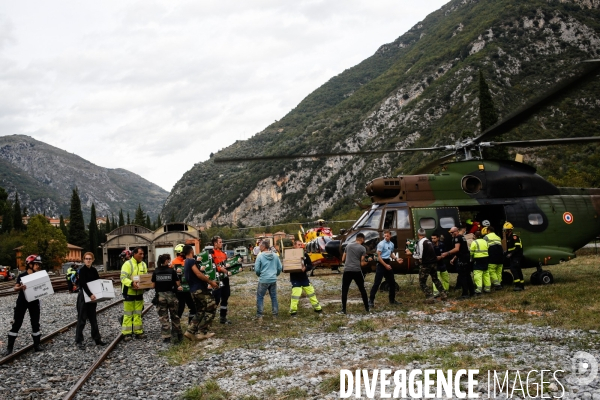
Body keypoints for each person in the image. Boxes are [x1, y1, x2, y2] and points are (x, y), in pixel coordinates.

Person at [3, 255, 45, 355]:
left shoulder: (38, 275)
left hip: (34, 301)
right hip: (22, 301)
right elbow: (15, 288)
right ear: (30, 264)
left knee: (35, 323)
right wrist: (21, 287)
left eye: (39, 264)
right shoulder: (22, 276)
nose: (38, 266)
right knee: (17, 323)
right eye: (36, 264)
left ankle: (37, 345)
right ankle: (9, 348)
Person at [183, 245, 219, 341]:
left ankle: (190, 331)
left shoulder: (185, 262)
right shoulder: (190, 261)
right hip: (199, 289)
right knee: (212, 306)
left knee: (200, 310)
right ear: (191, 251)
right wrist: (211, 282)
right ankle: (202, 331)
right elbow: (198, 274)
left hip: (193, 290)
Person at [75, 252, 107, 350]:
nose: (88, 260)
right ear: (84, 260)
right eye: (86, 258)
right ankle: (79, 340)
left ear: (92, 260)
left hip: (93, 296)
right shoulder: (82, 271)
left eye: (90, 259)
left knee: (93, 318)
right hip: (84, 296)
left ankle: (97, 338)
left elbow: (97, 282)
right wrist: (90, 295)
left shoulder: (94, 270)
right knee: (82, 319)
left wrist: (101, 292)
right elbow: (83, 284)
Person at [407, 229, 448, 303]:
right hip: (434, 263)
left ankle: (429, 296)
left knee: (422, 282)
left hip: (426, 264)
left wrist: (412, 255)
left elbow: (420, 255)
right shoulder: (428, 241)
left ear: (418, 234)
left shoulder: (421, 242)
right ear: (425, 234)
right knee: (435, 279)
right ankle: (443, 294)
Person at [152, 254, 183, 343]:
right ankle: (178, 335)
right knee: (175, 316)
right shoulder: (172, 271)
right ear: (167, 261)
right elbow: (178, 284)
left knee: (163, 317)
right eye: (169, 259)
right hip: (171, 296)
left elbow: (153, 285)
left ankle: (166, 337)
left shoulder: (156, 271)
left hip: (161, 297)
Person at [120, 247, 148, 341]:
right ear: (134, 254)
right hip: (129, 293)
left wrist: (146, 285)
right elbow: (123, 278)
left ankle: (138, 331)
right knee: (128, 314)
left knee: (138, 313)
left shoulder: (144, 264)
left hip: (139, 293)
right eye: (140, 254)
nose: (142, 256)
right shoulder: (127, 264)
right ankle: (126, 333)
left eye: (143, 254)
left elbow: (145, 277)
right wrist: (132, 283)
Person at [368, 231, 402, 308]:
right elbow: (378, 256)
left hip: (387, 262)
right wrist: (385, 265)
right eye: (385, 236)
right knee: (377, 283)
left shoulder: (391, 244)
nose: (386, 237)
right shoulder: (381, 244)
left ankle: (392, 300)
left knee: (392, 282)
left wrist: (396, 259)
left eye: (387, 236)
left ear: (390, 236)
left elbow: (391, 253)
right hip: (381, 263)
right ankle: (371, 300)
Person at [339, 233, 370, 314]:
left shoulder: (348, 246)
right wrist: (368, 261)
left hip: (347, 270)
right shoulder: (362, 248)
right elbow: (362, 264)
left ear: (356, 239)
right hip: (356, 270)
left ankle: (344, 309)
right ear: (362, 239)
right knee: (362, 289)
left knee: (345, 290)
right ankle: (367, 308)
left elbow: (343, 259)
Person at [289, 240, 322, 317]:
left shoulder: (305, 255)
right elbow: (285, 266)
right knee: (295, 295)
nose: (300, 246)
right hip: (295, 279)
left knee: (311, 293)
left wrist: (306, 268)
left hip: (304, 278)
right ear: (294, 246)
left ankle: (318, 309)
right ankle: (293, 312)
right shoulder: (290, 255)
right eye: (298, 245)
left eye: (301, 245)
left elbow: (310, 265)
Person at [443, 227, 474, 300]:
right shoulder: (462, 237)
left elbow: (457, 249)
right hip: (465, 258)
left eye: (452, 232)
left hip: (462, 259)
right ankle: (472, 292)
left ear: (456, 231)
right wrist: (454, 258)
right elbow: (462, 250)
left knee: (462, 276)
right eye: (450, 232)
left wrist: (447, 253)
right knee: (467, 276)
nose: (451, 234)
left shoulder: (457, 238)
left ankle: (465, 294)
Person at [254, 240, 282, 320]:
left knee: (260, 297)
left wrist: (260, 275)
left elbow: (257, 269)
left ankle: (259, 316)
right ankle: (275, 315)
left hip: (263, 280)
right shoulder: (275, 255)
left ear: (263, 247)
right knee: (273, 297)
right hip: (273, 279)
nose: (259, 247)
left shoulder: (260, 256)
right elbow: (280, 267)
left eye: (260, 246)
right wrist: (275, 274)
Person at [172, 244, 197, 324]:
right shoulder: (185, 261)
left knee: (183, 308)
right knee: (189, 307)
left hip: (182, 288)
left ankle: (176, 326)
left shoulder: (174, 262)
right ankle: (189, 324)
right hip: (184, 289)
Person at [210, 236, 233, 324]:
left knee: (225, 297)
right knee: (216, 299)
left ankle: (223, 318)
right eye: (220, 242)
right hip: (216, 279)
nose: (221, 243)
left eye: (221, 242)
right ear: (215, 243)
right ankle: (209, 319)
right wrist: (220, 269)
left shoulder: (224, 254)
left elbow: (226, 264)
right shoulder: (211, 253)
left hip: (225, 279)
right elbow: (211, 266)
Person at [503, 222, 524, 291]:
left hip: (516, 256)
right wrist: (506, 253)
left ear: (509, 230)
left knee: (514, 269)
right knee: (517, 269)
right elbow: (510, 248)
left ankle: (518, 285)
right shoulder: (509, 238)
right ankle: (521, 285)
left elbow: (517, 248)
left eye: (506, 230)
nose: (505, 231)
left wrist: (511, 254)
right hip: (513, 256)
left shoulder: (514, 237)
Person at [431, 233, 449, 297]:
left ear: (438, 238)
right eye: (432, 238)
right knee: (436, 278)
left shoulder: (442, 245)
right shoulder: (430, 246)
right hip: (435, 265)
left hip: (442, 264)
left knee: (445, 277)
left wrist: (441, 257)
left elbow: (445, 253)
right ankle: (436, 292)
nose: (433, 240)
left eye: (434, 238)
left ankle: (445, 290)